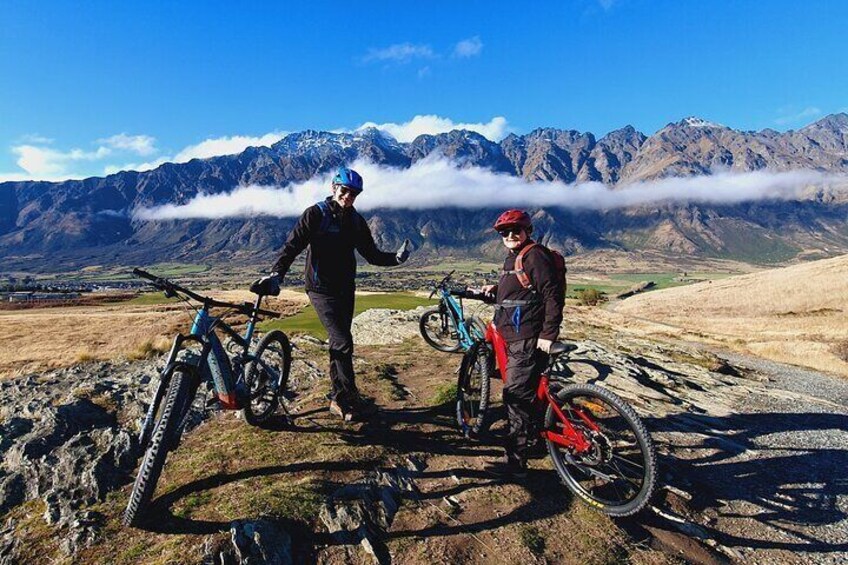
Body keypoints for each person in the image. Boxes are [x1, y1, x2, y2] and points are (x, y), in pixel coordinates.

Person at [269, 167, 412, 421]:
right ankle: (348, 398)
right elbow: (292, 246)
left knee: (341, 344)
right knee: (343, 340)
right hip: (320, 289)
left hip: (346, 288)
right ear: (333, 188)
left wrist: (396, 259)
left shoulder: (356, 221)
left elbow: (372, 254)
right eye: (344, 191)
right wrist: (276, 274)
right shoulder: (316, 214)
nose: (348, 196)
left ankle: (340, 397)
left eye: (354, 194)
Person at [481, 209, 564, 479]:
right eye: (505, 232)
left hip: (528, 338)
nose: (510, 235)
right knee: (531, 393)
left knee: (515, 396)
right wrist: (495, 292)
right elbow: (521, 292)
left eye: (516, 230)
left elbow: (552, 295)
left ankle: (516, 463)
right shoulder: (513, 258)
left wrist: (548, 334)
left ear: (528, 230)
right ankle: (538, 441)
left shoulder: (533, 255)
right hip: (516, 335)